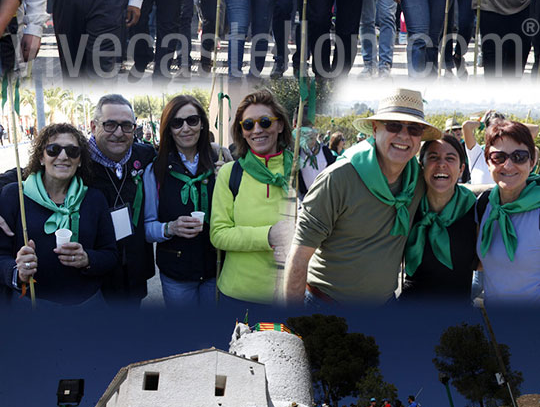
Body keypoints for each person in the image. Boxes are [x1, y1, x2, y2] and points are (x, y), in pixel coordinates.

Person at [284, 88, 436, 303]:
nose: (404, 135)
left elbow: (454, 192)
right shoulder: (338, 178)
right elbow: (299, 256)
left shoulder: (417, 181)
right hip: (327, 307)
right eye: (393, 125)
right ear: (375, 129)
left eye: (414, 129)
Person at [0, 122, 117, 304]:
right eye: (53, 149)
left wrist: (87, 259)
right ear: (41, 157)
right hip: (31, 305)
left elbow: (110, 254)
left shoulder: (94, 199)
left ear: (79, 161)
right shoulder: (15, 196)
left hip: (86, 305)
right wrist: (16, 271)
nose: (63, 156)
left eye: (72, 151)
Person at [210, 89, 294, 301]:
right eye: (248, 124)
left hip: (289, 294)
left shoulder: (299, 171)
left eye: (265, 122)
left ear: (280, 125)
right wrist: (268, 236)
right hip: (238, 296)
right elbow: (218, 234)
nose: (257, 130)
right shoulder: (230, 173)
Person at [143, 95, 217, 307]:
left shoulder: (219, 162)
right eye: (177, 123)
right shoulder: (154, 171)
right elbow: (147, 229)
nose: (185, 128)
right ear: (169, 129)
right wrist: (170, 228)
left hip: (216, 269)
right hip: (177, 274)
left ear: (202, 124)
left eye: (192, 120)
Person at [88, 94, 155, 304]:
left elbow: (178, 156)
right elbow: (26, 174)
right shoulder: (76, 159)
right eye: (109, 125)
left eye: (126, 126)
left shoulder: (145, 154)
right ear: (93, 126)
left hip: (134, 270)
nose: (118, 133)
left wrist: (214, 150)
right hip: (96, 276)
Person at [402, 133, 477, 297]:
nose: (441, 164)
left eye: (450, 158)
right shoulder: (407, 207)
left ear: (461, 169)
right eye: (433, 157)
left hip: (457, 315)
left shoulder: (475, 209)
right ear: (422, 166)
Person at [476, 119, 540, 303]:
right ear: (488, 161)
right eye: (499, 157)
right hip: (492, 323)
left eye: (519, 156)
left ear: (532, 161)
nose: (509, 165)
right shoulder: (485, 204)